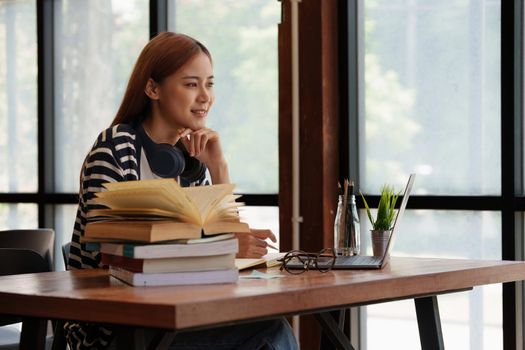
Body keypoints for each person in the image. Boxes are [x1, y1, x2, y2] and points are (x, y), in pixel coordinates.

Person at [65, 32, 298, 349]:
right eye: (191, 84)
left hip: (178, 317)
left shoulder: (191, 162)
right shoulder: (117, 146)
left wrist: (218, 166)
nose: (205, 96)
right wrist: (222, 245)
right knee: (269, 333)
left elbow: (226, 239)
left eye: (210, 84)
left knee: (269, 328)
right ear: (152, 88)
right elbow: (108, 250)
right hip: (112, 330)